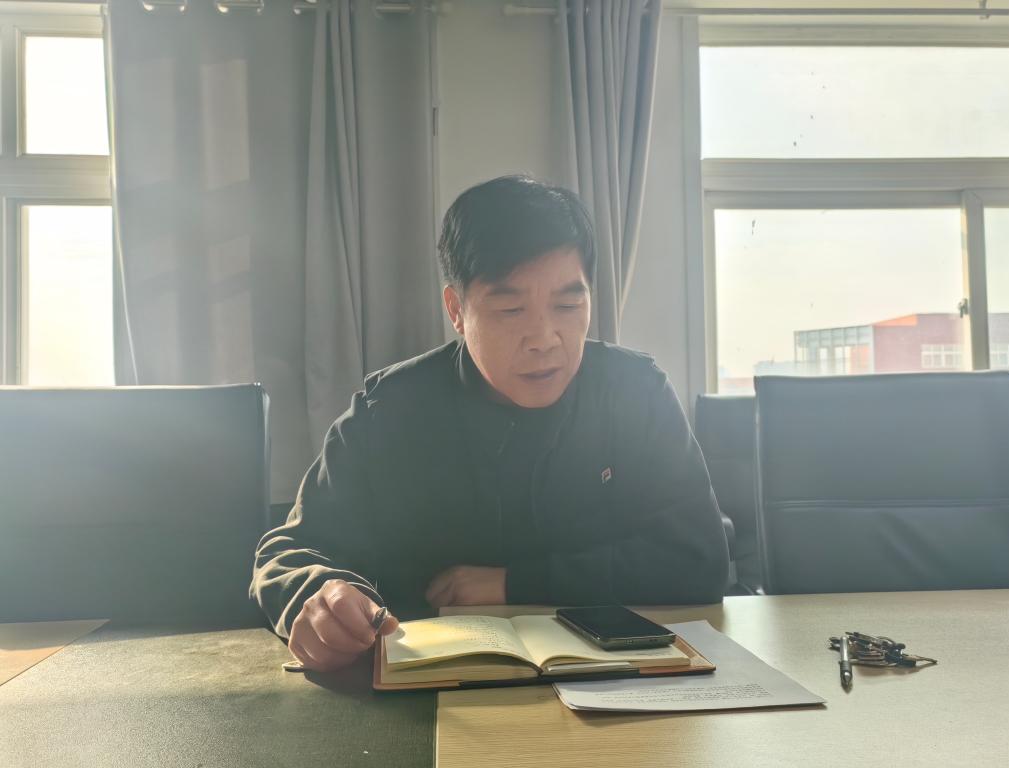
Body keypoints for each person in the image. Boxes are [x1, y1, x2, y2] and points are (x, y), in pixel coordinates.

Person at [251, 175, 729, 672]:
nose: (544, 338)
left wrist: (512, 583)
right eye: (510, 309)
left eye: (569, 305)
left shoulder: (634, 393)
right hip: (431, 685)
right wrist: (320, 596)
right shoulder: (392, 411)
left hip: (616, 683)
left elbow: (699, 558)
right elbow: (287, 551)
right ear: (457, 311)